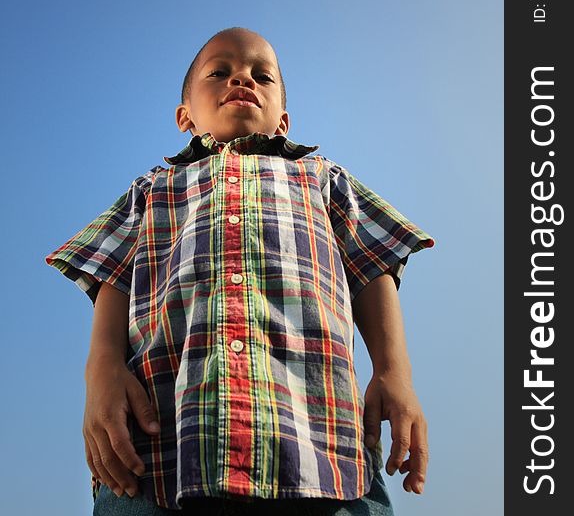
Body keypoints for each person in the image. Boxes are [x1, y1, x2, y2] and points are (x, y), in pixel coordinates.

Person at [45, 27, 435, 515]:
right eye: (220, 72)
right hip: (165, 444)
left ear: (283, 121)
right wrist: (100, 370)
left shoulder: (323, 179)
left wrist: (395, 372)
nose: (242, 80)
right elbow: (114, 276)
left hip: (318, 445)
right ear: (185, 116)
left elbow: (372, 268)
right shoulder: (152, 190)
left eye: (262, 75)